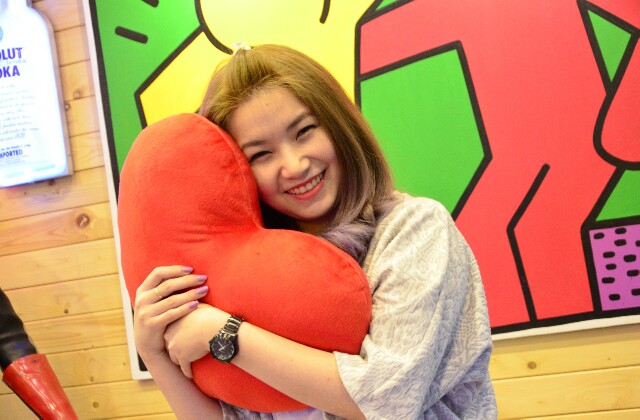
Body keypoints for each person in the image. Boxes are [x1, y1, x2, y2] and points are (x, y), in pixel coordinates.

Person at [132, 44, 497, 419]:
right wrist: (154, 354)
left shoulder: (415, 229)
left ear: (339, 125)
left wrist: (227, 334)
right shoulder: (256, 276)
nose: (294, 165)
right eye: (261, 154)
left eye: (304, 132)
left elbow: (388, 400)